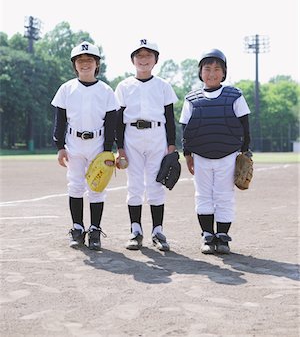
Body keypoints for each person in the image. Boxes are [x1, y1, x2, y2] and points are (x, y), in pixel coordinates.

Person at [179, 49, 251, 254]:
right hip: (201, 155)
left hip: (228, 154)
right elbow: (185, 128)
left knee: (224, 195)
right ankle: (207, 235)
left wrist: (245, 152)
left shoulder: (234, 95)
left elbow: (245, 126)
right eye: (207, 68)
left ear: (224, 72)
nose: (212, 73)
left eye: (217, 69)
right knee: (203, 195)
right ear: (200, 72)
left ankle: (223, 237)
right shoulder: (192, 98)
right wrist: (188, 154)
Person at [51, 41, 117, 251]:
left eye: (90, 60)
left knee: (97, 188)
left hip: (98, 143)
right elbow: (59, 120)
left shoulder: (106, 90)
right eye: (80, 60)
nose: (85, 63)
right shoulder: (66, 88)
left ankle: (95, 230)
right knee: (75, 186)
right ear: (75, 65)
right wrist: (59, 146)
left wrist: (108, 149)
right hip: (74, 143)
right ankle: (77, 228)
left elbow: (111, 122)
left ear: (97, 64)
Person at [115, 39, 178, 251]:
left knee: (155, 185)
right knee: (134, 185)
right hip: (131, 136)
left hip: (157, 136)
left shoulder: (163, 86)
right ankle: (135, 230)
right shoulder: (124, 86)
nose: (143, 60)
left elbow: (170, 118)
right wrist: (120, 148)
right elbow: (118, 120)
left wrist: (171, 146)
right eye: (139, 56)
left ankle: (157, 231)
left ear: (156, 60)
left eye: (148, 55)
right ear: (133, 60)